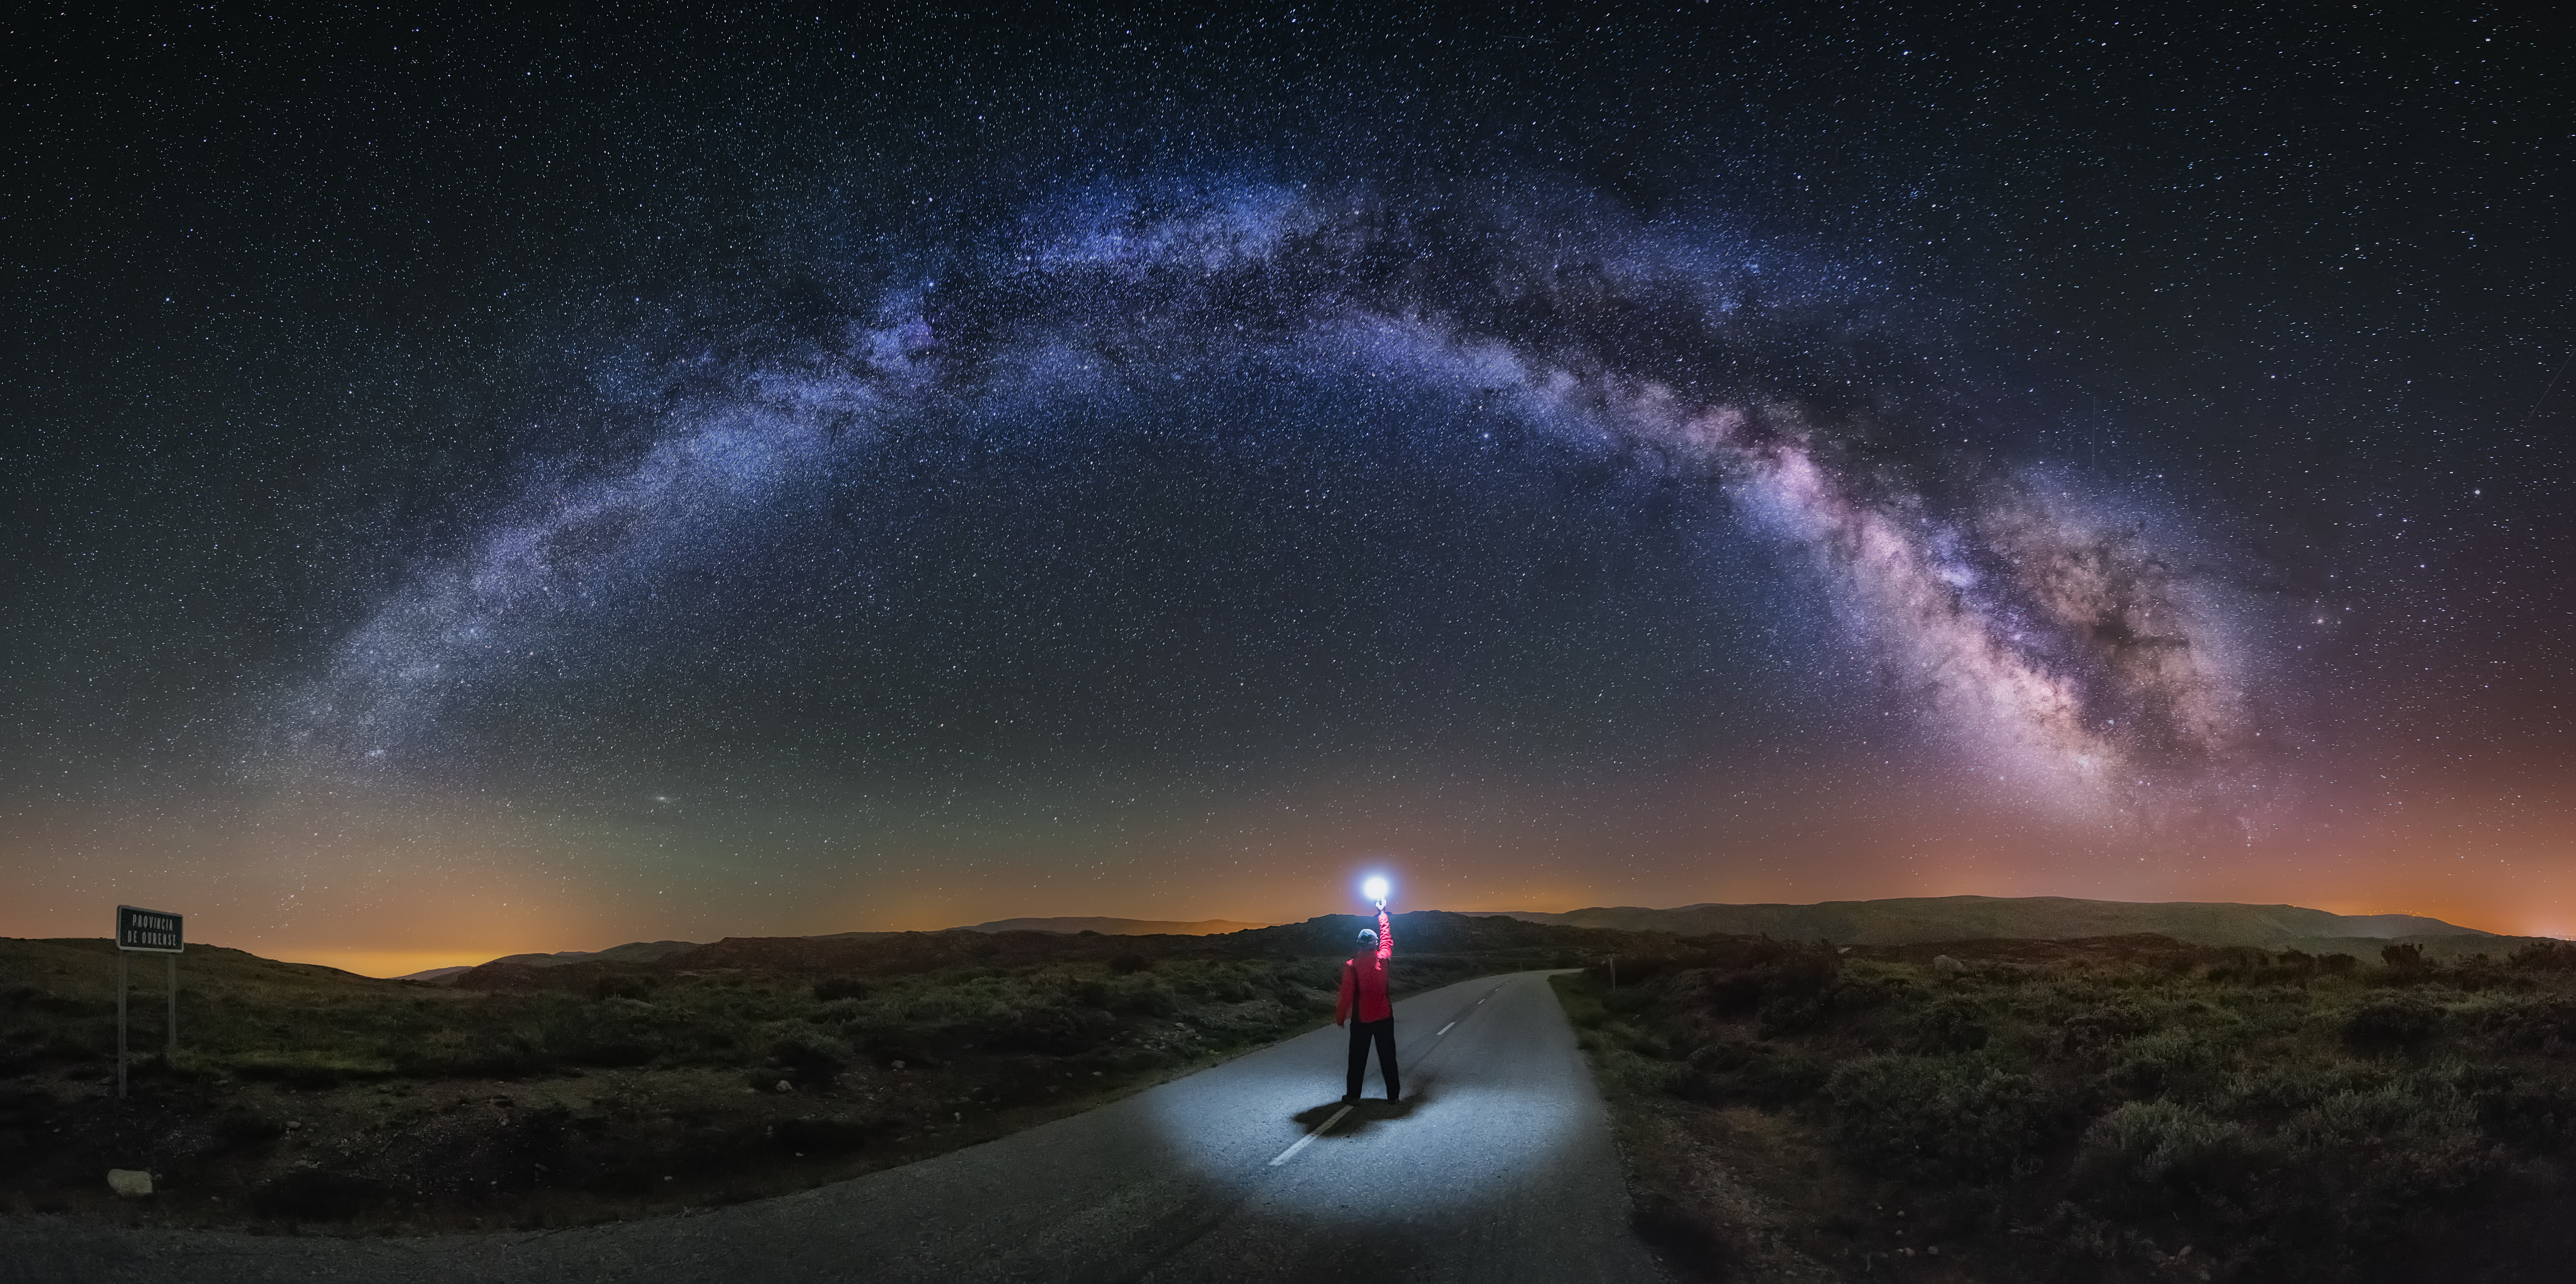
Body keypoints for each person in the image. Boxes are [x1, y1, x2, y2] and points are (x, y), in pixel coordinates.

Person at [1335, 897, 1397, 1103]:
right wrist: (1382, 913)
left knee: (1357, 1060)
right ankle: (1393, 1096)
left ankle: (1353, 1096)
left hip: (1362, 1022)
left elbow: (1346, 994)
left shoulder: (1352, 965)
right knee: (1388, 1058)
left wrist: (1341, 1017)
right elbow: (1387, 938)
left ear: (1359, 944)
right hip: (1385, 1018)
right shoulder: (1384, 958)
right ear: (1376, 944)